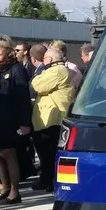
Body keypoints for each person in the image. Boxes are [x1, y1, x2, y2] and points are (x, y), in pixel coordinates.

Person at [0, 36, 31, 206]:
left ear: (7, 50)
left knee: (9, 154)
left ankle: (14, 193)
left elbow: (23, 97)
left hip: (10, 118)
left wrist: (25, 122)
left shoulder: (16, 69)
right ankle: (5, 186)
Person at [30, 43, 75, 192]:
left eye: (44, 59)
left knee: (49, 153)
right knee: (47, 153)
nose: (43, 61)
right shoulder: (58, 70)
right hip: (51, 117)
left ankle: (49, 181)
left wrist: (38, 76)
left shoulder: (56, 71)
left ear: (49, 59)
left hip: (53, 119)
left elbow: (38, 85)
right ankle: (47, 180)